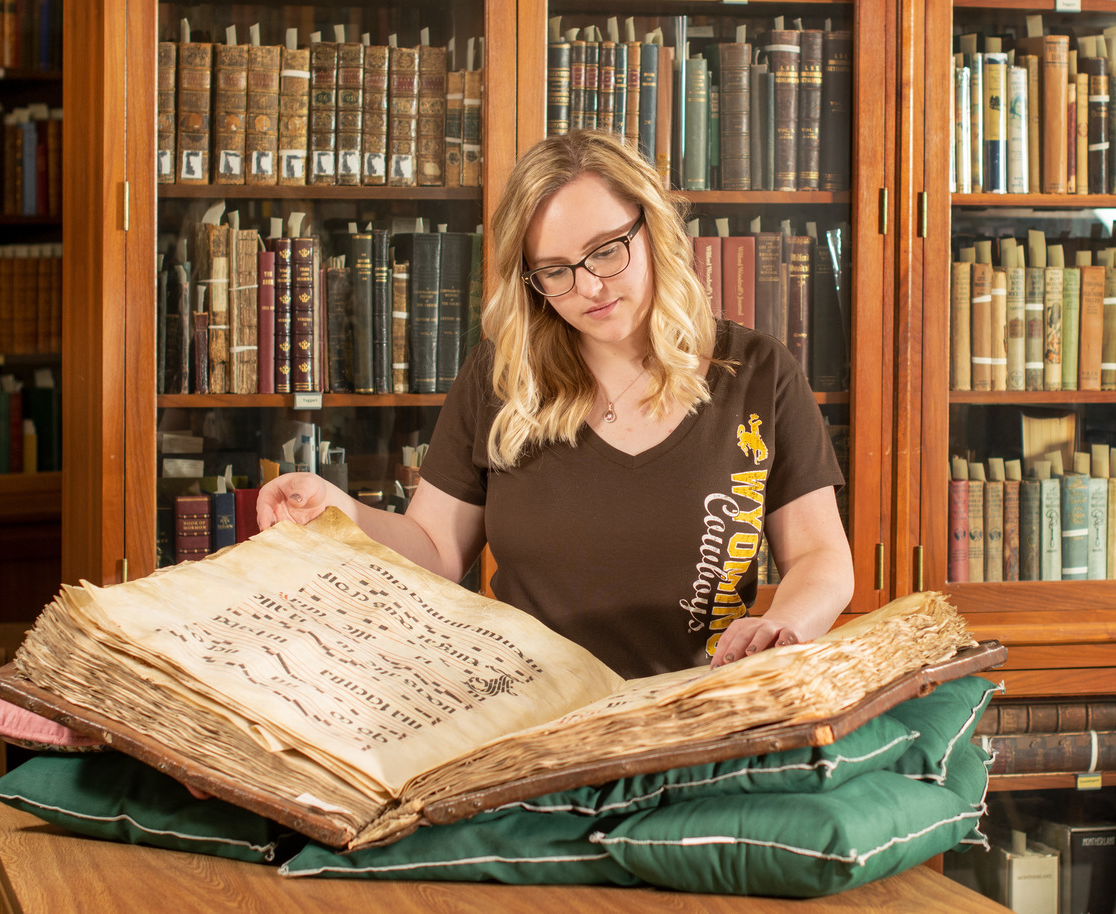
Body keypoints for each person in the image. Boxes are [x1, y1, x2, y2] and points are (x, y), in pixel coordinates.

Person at [257, 129, 854, 678]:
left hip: (697, 706)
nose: (589, 287)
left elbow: (821, 557)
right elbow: (436, 551)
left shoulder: (756, 373)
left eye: (605, 251)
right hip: (530, 709)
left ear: (653, 228)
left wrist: (786, 625)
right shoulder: (500, 377)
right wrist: (342, 511)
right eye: (555, 270)